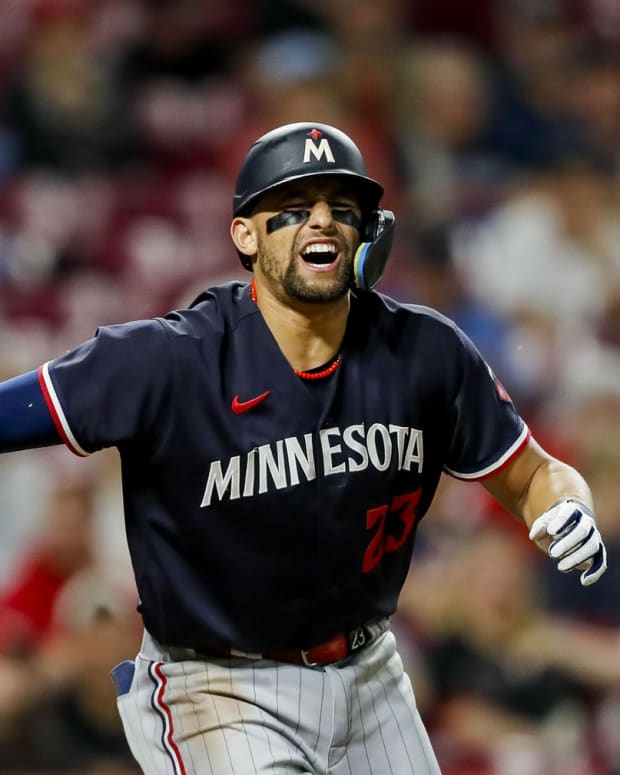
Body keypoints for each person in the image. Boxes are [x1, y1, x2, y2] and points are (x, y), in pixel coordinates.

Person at [0, 121, 608, 775]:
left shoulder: (425, 354)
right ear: (245, 235)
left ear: (369, 232)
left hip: (370, 672)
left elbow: (531, 472)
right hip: (217, 683)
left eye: (341, 209)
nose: (321, 222)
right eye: (292, 209)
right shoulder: (169, 361)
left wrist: (563, 503)